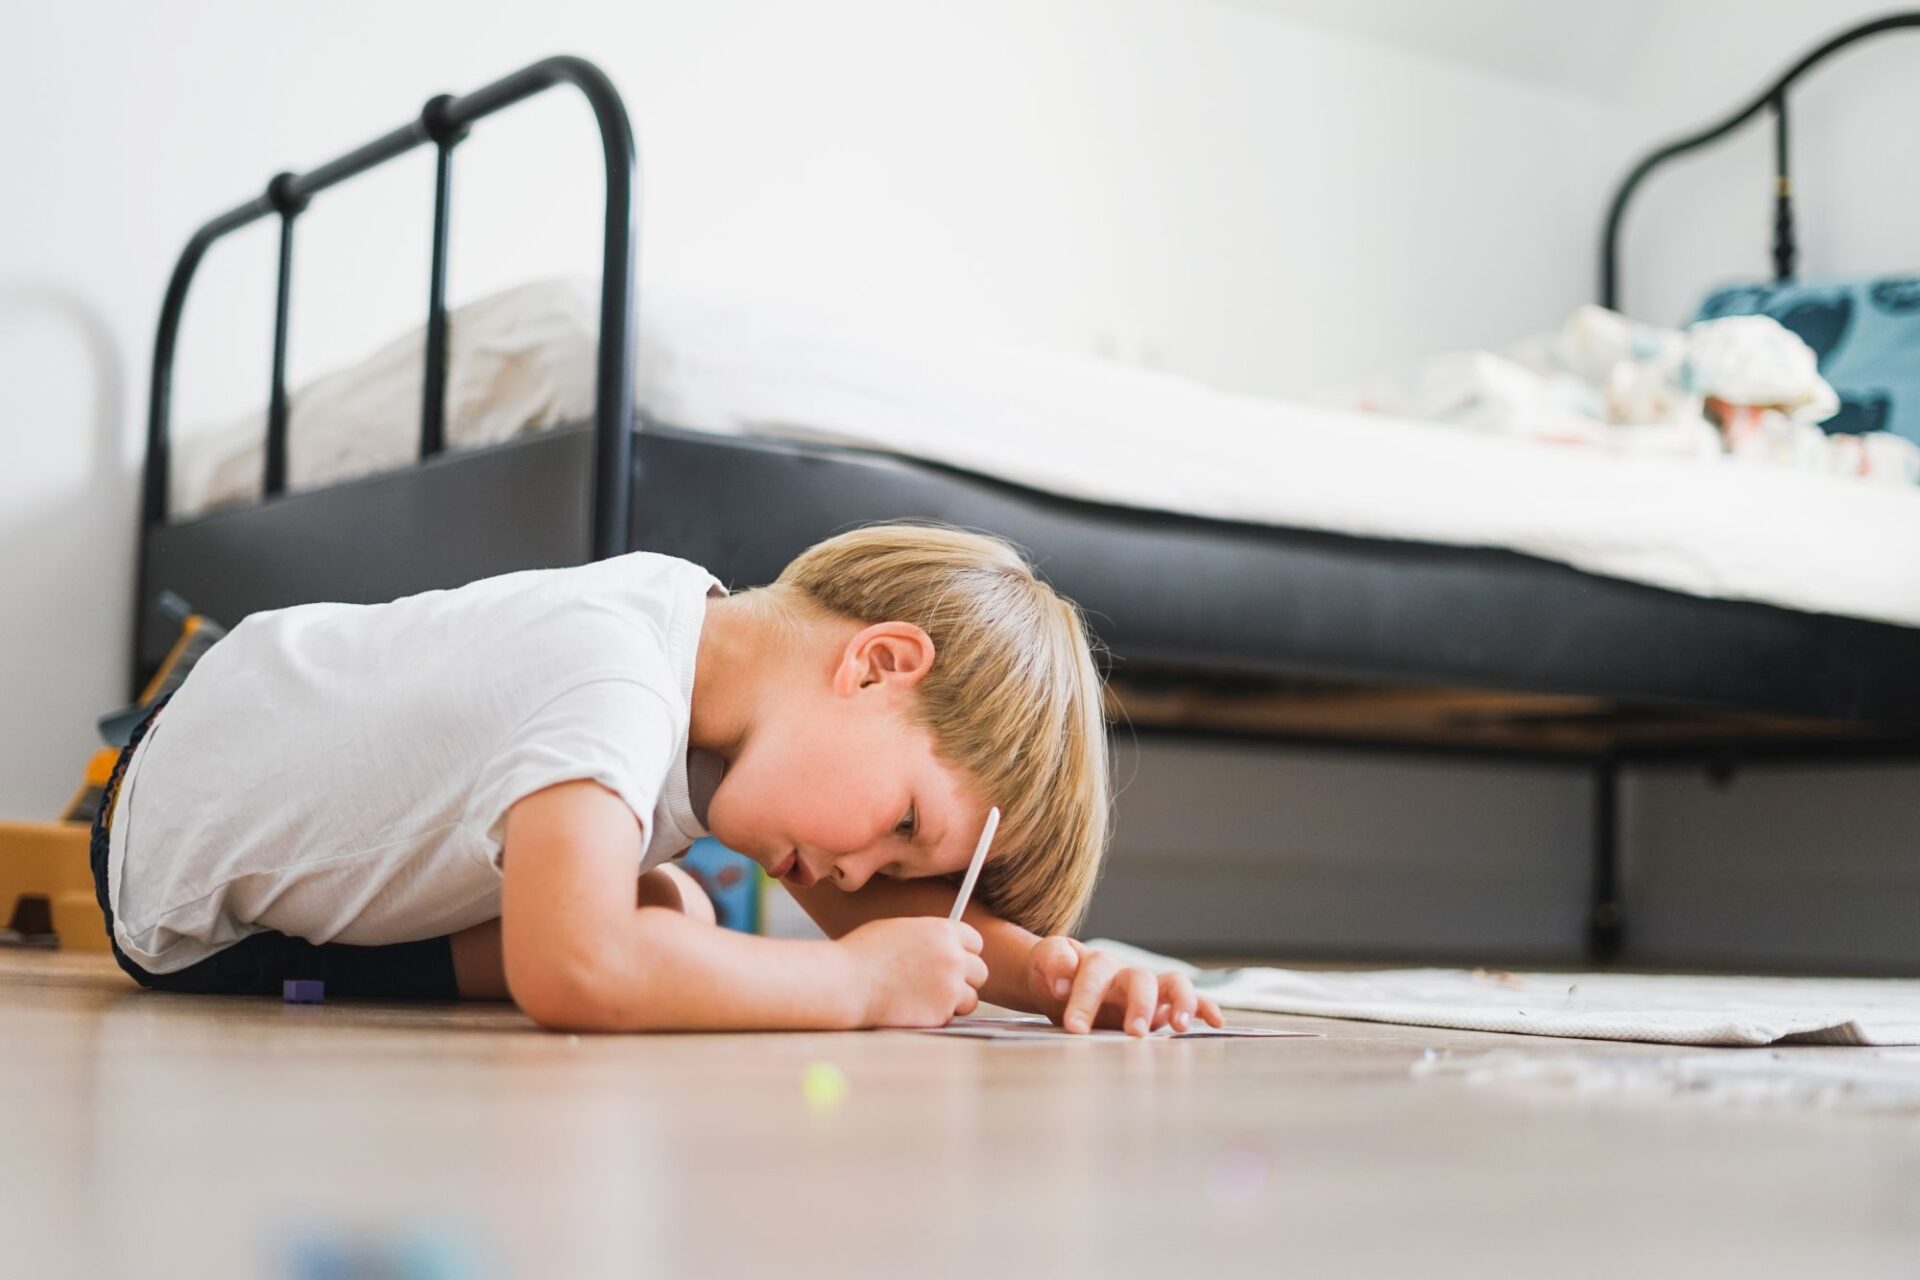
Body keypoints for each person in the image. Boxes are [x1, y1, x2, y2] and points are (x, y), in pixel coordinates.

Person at [92, 524, 1223, 1036]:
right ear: (877, 663)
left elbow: (880, 916)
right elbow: (570, 969)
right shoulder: (616, 672)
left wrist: (1060, 975)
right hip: (179, 876)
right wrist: (853, 988)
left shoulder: (725, 670)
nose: (858, 871)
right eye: (901, 823)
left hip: (288, 873)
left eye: (899, 863)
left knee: (666, 908)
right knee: (622, 934)